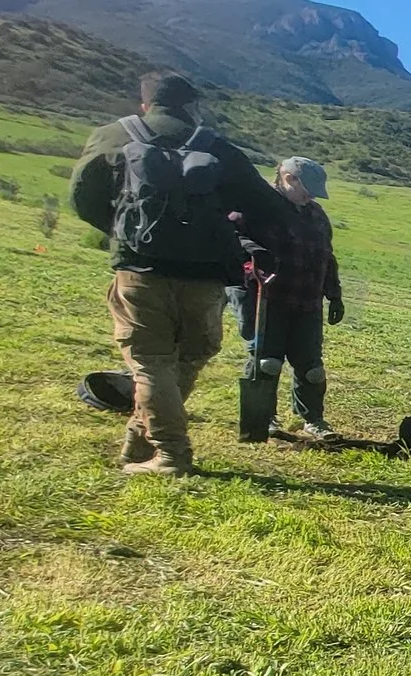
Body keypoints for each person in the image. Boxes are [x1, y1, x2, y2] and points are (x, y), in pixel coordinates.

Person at [69, 71, 289, 476]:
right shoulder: (217, 148)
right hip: (206, 276)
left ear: (145, 104)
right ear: (192, 108)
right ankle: (146, 445)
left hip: (141, 270)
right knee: (186, 358)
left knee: (152, 363)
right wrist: (231, 232)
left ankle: (167, 452)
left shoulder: (112, 137)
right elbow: (273, 209)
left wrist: (124, 234)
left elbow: (82, 198)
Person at [237, 156, 343, 440]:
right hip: (267, 297)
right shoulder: (258, 207)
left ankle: (313, 420)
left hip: (308, 301)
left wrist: (334, 294)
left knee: (312, 367)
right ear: (287, 178)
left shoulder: (317, 215)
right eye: (305, 187)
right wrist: (253, 257)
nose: (310, 195)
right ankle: (262, 419)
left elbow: (327, 256)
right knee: (266, 361)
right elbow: (233, 238)